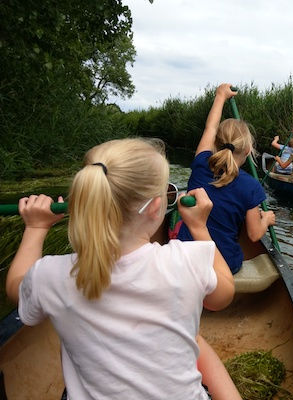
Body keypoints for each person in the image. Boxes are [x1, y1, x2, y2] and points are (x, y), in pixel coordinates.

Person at [5, 138, 240, 399]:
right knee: (196, 340)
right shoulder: (186, 259)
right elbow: (223, 295)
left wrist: (35, 228)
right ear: (155, 207)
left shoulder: (50, 275)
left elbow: (17, 288)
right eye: (167, 192)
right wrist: (199, 228)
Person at [177, 83, 276, 274]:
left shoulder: (200, 163)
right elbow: (254, 235)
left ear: (215, 143)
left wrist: (221, 95)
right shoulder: (252, 186)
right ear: (247, 151)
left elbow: (210, 127)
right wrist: (266, 220)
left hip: (184, 259)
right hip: (223, 265)